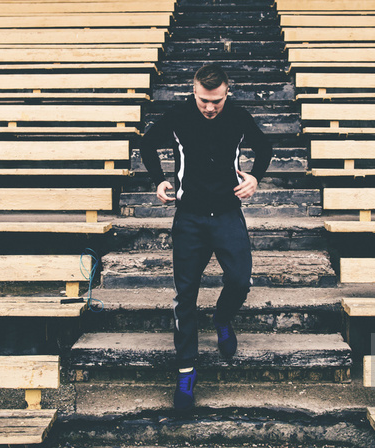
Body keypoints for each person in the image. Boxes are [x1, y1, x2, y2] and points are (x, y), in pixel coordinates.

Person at [139, 63, 272, 411]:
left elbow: (265, 145)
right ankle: (186, 370)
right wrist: (158, 179)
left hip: (228, 213)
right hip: (190, 218)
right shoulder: (178, 115)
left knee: (241, 280)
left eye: (216, 101)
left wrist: (255, 177)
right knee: (186, 297)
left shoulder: (239, 116)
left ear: (227, 92)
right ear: (193, 91)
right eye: (203, 101)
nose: (210, 108)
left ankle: (223, 317)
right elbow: (147, 144)